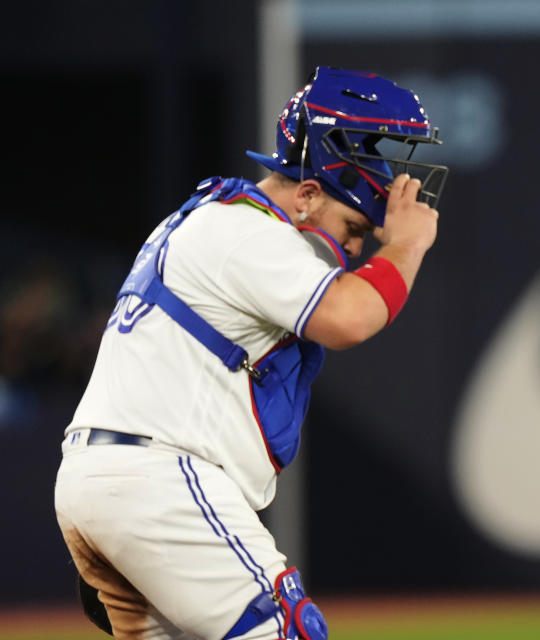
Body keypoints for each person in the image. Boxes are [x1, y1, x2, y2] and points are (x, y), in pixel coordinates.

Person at [54, 66, 448, 640]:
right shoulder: (246, 231)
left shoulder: (208, 223)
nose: (356, 250)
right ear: (307, 196)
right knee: (291, 631)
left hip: (110, 479)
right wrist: (409, 245)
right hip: (159, 478)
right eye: (354, 228)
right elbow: (349, 316)